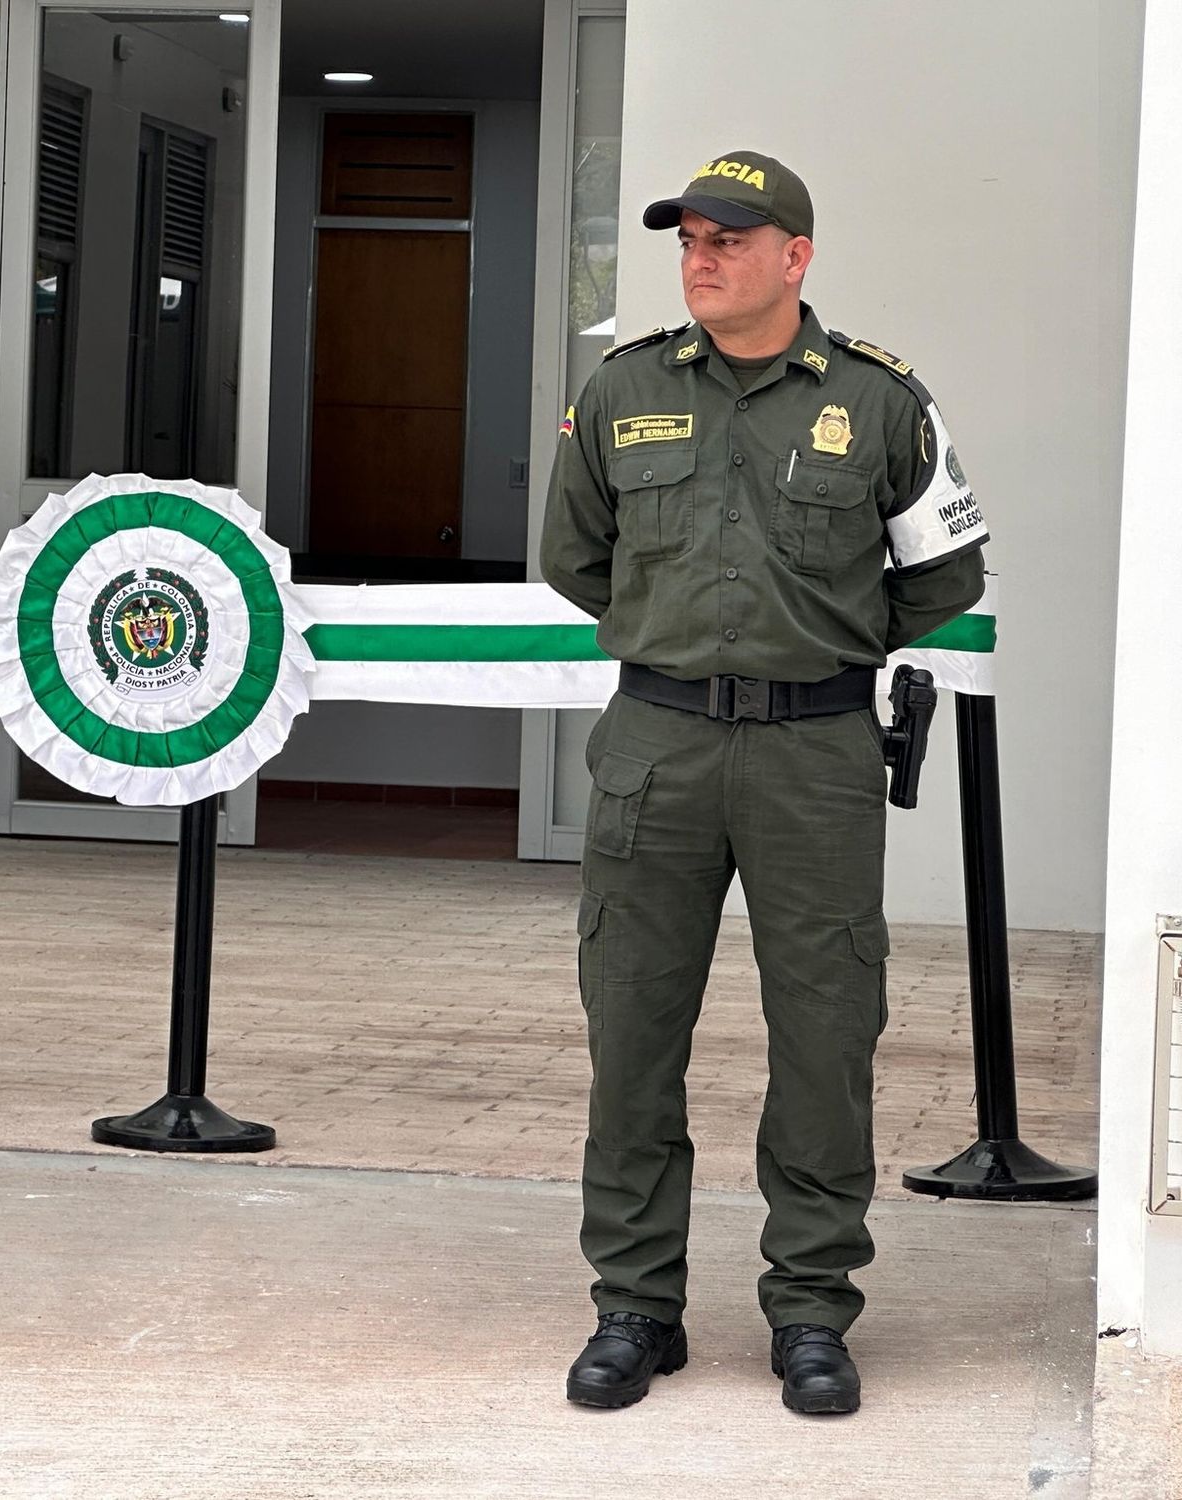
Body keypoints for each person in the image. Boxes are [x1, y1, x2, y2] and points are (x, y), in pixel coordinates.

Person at [539, 152, 987, 1415]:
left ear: (792, 257)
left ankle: (809, 1311)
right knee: (631, 1031)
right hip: (657, 748)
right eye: (686, 238)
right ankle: (633, 1307)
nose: (699, 257)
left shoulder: (878, 402)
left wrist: (821, 639)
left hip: (813, 758)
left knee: (825, 1036)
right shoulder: (621, 391)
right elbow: (576, 560)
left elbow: (941, 572)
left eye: (727, 239)